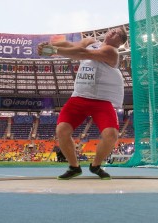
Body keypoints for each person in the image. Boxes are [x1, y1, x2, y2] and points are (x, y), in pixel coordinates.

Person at [37, 27, 127, 180]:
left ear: (120, 42)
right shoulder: (91, 42)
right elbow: (73, 47)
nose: (113, 32)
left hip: (101, 99)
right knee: (62, 130)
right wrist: (49, 46)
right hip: (79, 96)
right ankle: (74, 167)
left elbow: (84, 54)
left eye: (118, 33)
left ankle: (96, 166)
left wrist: (52, 50)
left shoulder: (112, 52)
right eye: (113, 30)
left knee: (111, 135)